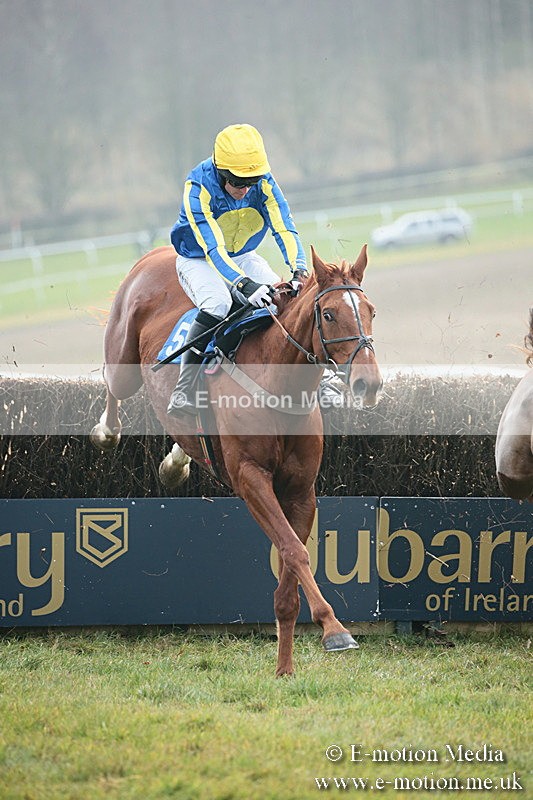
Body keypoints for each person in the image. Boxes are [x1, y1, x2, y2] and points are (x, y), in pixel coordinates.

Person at [167, 123, 308, 417]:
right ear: (221, 173)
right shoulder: (197, 188)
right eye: (237, 182)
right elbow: (214, 250)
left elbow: (284, 227)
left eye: (251, 182)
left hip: (243, 255)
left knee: (284, 301)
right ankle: (184, 387)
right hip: (198, 259)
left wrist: (299, 271)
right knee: (218, 302)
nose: (245, 190)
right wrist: (244, 286)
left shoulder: (264, 183)